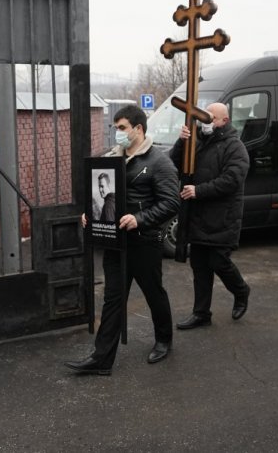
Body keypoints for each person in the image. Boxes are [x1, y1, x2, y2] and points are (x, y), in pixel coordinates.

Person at [65, 105, 180, 375]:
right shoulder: (111, 159)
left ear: (138, 129)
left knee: (153, 293)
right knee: (113, 299)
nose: (117, 133)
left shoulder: (159, 162)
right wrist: (91, 215)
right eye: (115, 128)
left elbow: (171, 202)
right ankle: (101, 360)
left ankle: (164, 340)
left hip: (144, 242)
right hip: (116, 243)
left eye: (122, 128)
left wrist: (140, 219)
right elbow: (101, 197)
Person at [169, 102, 251, 329]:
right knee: (199, 266)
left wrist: (199, 191)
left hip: (222, 218)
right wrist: (181, 141)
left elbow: (232, 179)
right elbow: (174, 163)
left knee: (218, 262)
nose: (206, 121)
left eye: (212, 118)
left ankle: (241, 291)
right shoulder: (196, 141)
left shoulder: (234, 146)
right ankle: (201, 313)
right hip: (198, 216)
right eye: (205, 116)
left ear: (225, 121)